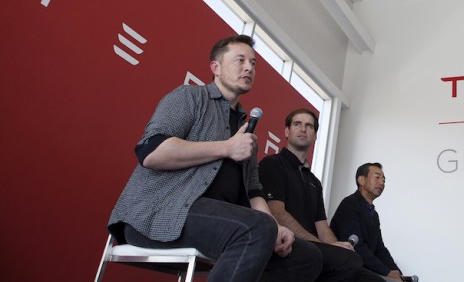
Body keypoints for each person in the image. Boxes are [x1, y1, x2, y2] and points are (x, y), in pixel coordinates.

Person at [107, 35, 322, 282]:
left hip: (217, 221)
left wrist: (276, 228)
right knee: (255, 228)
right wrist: (226, 148)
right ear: (215, 67)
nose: (249, 67)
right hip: (159, 214)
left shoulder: (246, 129)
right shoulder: (189, 97)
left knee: (306, 257)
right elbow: (152, 153)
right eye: (240, 60)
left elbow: (254, 192)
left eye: (253, 63)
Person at [259, 108, 383, 282]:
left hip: (313, 248)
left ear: (315, 136)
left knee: (372, 278)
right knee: (348, 261)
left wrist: (336, 246)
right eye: (297, 124)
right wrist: (321, 245)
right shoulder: (272, 164)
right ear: (287, 131)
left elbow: (322, 226)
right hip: (285, 244)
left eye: (309, 126)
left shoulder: (314, 182)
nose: (303, 129)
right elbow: (277, 212)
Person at [330, 163, 403, 281]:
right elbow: (358, 247)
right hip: (344, 268)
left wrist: (398, 274)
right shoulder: (349, 204)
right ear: (361, 180)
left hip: (364, 268)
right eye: (377, 177)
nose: (382, 183)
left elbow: (380, 250)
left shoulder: (374, 214)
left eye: (384, 180)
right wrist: (387, 272)